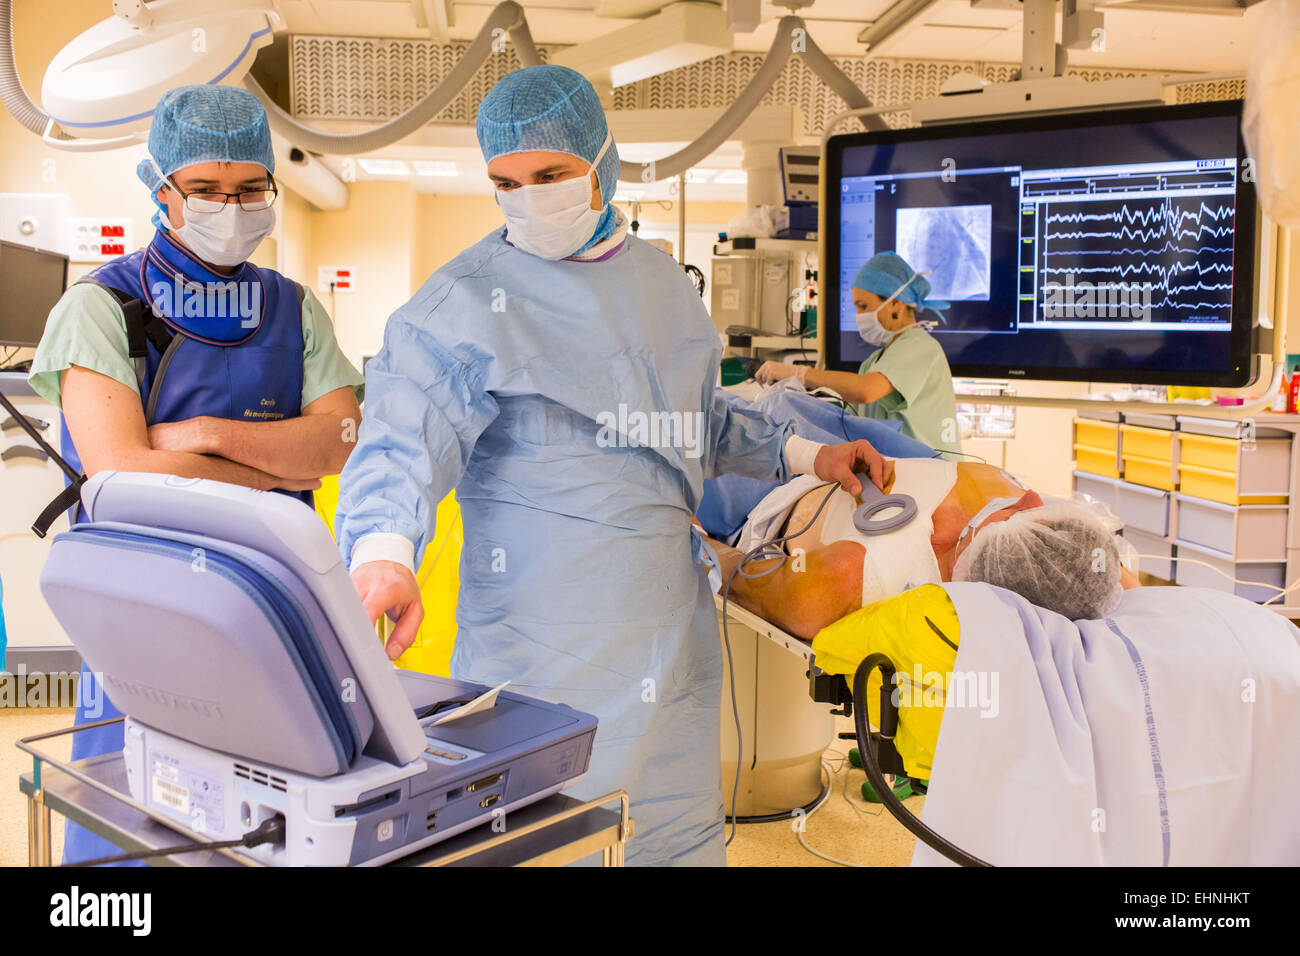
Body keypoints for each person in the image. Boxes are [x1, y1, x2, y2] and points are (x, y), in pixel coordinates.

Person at [335, 64, 886, 867]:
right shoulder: (467, 300)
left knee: (668, 832)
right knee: (544, 836)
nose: (529, 199)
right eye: (506, 183)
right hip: (543, 639)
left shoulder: (662, 284)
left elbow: (699, 416)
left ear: (603, 163)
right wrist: (383, 549)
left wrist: (809, 451)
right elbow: (403, 426)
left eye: (550, 175)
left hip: (669, 632)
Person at [28, 85, 364, 864]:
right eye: (206, 190)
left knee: (265, 807)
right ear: (162, 189)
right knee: (136, 813)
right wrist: (276, 475)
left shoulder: (293, 309)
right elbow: (124, 473)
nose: (230, 206)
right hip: (142, 600)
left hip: (271, 598)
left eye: (251, 189)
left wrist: (206, 437)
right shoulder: (104, 307)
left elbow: (338, 441)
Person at [708, 461, 1140, 640]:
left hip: (757, 505)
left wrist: (690, 535)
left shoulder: (849, 575)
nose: (1027, 498)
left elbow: (737, 576)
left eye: (1023, 508)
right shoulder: (1003, 495)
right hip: (845, 456)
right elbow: (1119, 583)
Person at [756, 252, 958, 452]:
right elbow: (855, 422)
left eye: (863, 306)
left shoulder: (919, 346)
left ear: (896, 303)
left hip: (932, 473)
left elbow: (865, 391)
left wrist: (798, 374)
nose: (860, 316)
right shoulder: (873, 363)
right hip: (903, 471)